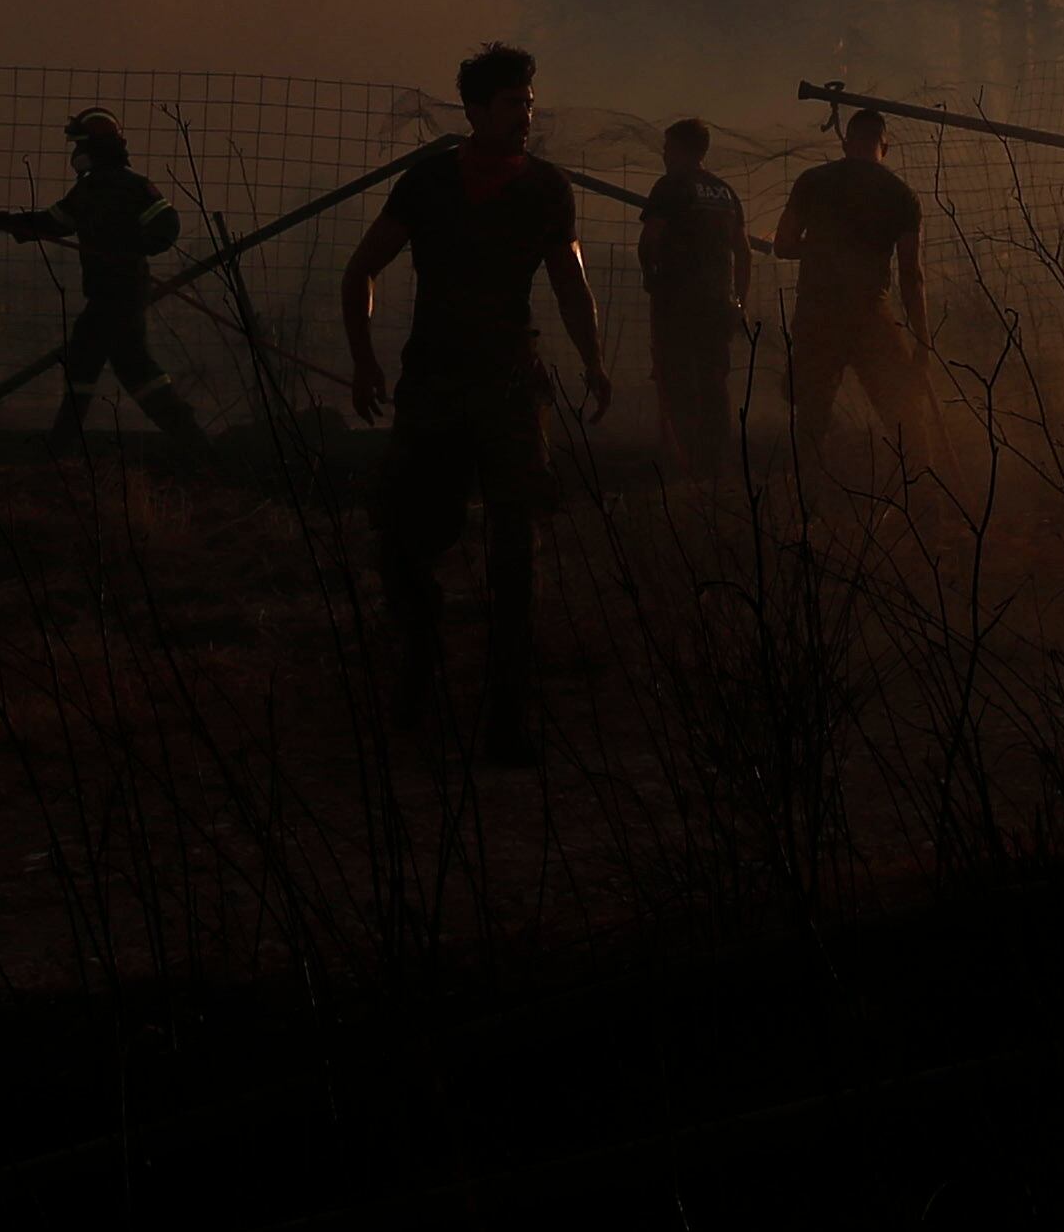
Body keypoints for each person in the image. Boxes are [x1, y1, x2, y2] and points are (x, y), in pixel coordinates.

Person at [342, 42, 610, 763]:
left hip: (511, 389)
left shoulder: (547, 189)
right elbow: (361, 269)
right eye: (513, 103)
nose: (526, 114)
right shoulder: (428, 183)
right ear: (476, 110)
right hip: (432, 387)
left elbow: (569, 280)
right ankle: (420, 660)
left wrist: (592, 359)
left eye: (528, 101)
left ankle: (506, 716)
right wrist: (364, 362)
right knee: (402, 540)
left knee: (516, 554)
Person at [0, 108, 204, 448]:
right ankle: (69, 441)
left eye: (80, 145)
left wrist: (128, 246)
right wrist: (1, 222)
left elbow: (167, 226)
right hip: (107, 294)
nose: (75, 154)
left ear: (97, 147)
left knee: (117, 362)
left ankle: (188, 439)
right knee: (97, 359)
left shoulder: (132, 187)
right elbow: (52, 223)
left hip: (122, 291)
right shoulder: (89, 191)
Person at [773, 104, 934, 447]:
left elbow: (783, 244)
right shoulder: (900, 194)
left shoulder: (812, 181)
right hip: (871, 316)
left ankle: (809, 493)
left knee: (811, 421)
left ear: (847, 144)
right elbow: (911, 274)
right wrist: (922, 341)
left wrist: (819, 248)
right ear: (884, 147)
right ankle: (924, 489)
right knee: (904, 416)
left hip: (817, 314)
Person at [637, 117, 751, 480]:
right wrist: (739, 301)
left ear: (682, 149)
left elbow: (650, 239)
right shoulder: (725, 192)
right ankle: (716, 462)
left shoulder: (670, 186)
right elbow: (744, 252)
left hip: (678, 301)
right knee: (715, 381)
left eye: (669, 147)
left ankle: (684, 462)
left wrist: (650, 274)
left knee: (677, 380)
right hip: (718, 302)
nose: (665, 155)